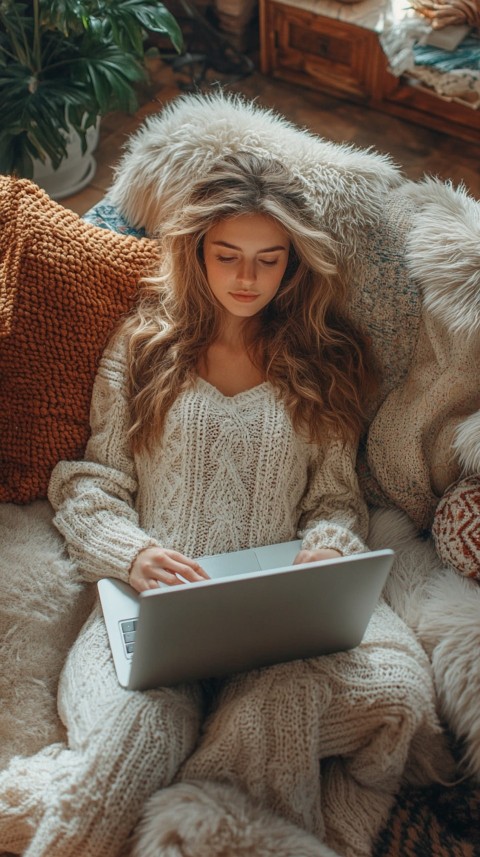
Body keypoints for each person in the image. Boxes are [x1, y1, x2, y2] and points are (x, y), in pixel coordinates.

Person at [0, 152, 440, 857]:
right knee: (135, 740)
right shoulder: (143, 346)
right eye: (227, 255)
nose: (246, 279)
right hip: (151, 614)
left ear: (294, 263)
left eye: (269, 260)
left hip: (279, 622)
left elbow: (335, 501)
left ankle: (204, 813)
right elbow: (89, 485)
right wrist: (135, 554)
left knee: (395, 695)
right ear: (194, 250)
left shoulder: (323, 361)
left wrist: (328, 545)